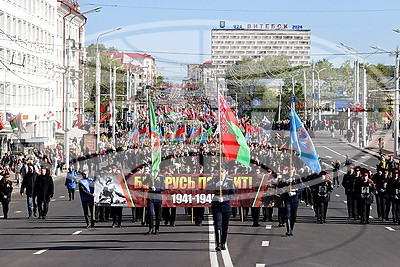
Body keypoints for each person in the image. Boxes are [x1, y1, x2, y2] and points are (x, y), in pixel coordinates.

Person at [206, 169, 237, 251]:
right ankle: (218, 244)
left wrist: (225, 199)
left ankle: (223, 243)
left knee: (225, 226)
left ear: (226, 172)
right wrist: (215, 184)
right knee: (217, 225)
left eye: (222, 171)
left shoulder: (230, 181)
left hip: (226, 206)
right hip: (216, 206)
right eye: (219, 171)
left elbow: (233, 194)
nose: (220, 173)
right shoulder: (214, 180)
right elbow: (206, 188)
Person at [278, 167, 304, 236]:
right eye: (289, 170)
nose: (290, 172)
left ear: (294, 170)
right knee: (287, 214)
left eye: (291, 170)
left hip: (295, 198)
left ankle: (291, 229)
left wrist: (296, 192)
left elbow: (302, 187)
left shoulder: (297, 178)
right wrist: (285, 182)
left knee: (293, 215)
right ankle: (288, 230)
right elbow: (279, 185)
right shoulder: (285, 177)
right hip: (287, 198)